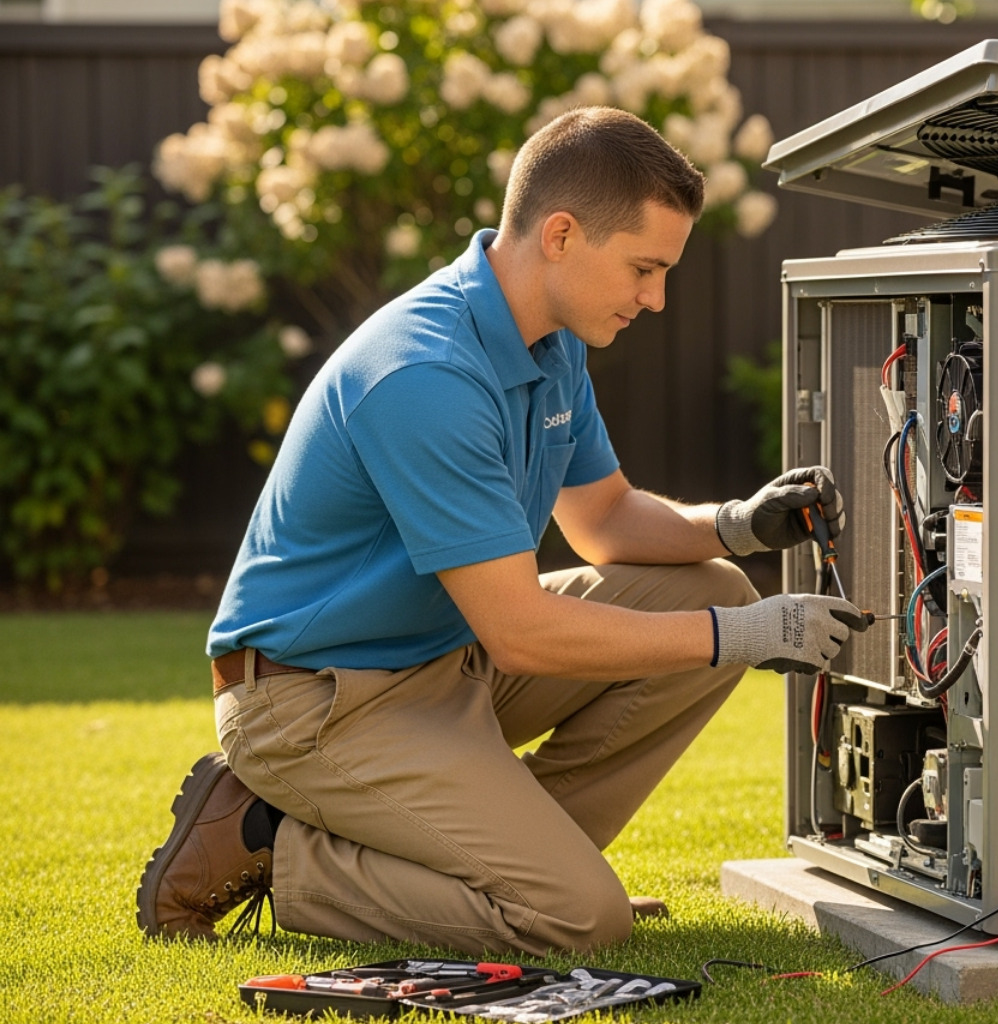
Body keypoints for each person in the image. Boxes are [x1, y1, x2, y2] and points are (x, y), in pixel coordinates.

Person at [135, 107, 866, 956]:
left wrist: (739, 526)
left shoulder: (551, 343)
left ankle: (522, 868)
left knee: (710, 585)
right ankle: (271, 842)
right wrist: (747, 635)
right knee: (582, 918)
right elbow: (519, 632)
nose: (656, 299)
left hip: (438, 659)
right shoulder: (426, 374)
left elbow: (604, 522)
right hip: (312, 700)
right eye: (644, 268)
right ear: (560, 234)